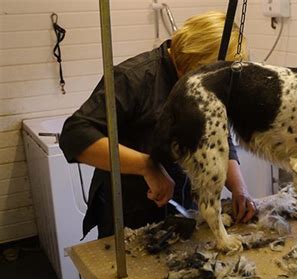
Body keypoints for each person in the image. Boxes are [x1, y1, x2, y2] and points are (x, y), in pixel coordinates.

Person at [59, 11, 256, 239]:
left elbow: (218, 135)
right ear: (196, 64)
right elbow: (74, 136)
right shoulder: (133, 78)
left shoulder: (205, 86)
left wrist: (239, 188)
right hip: (128, 205)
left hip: (180, 197)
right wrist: (147, 166)